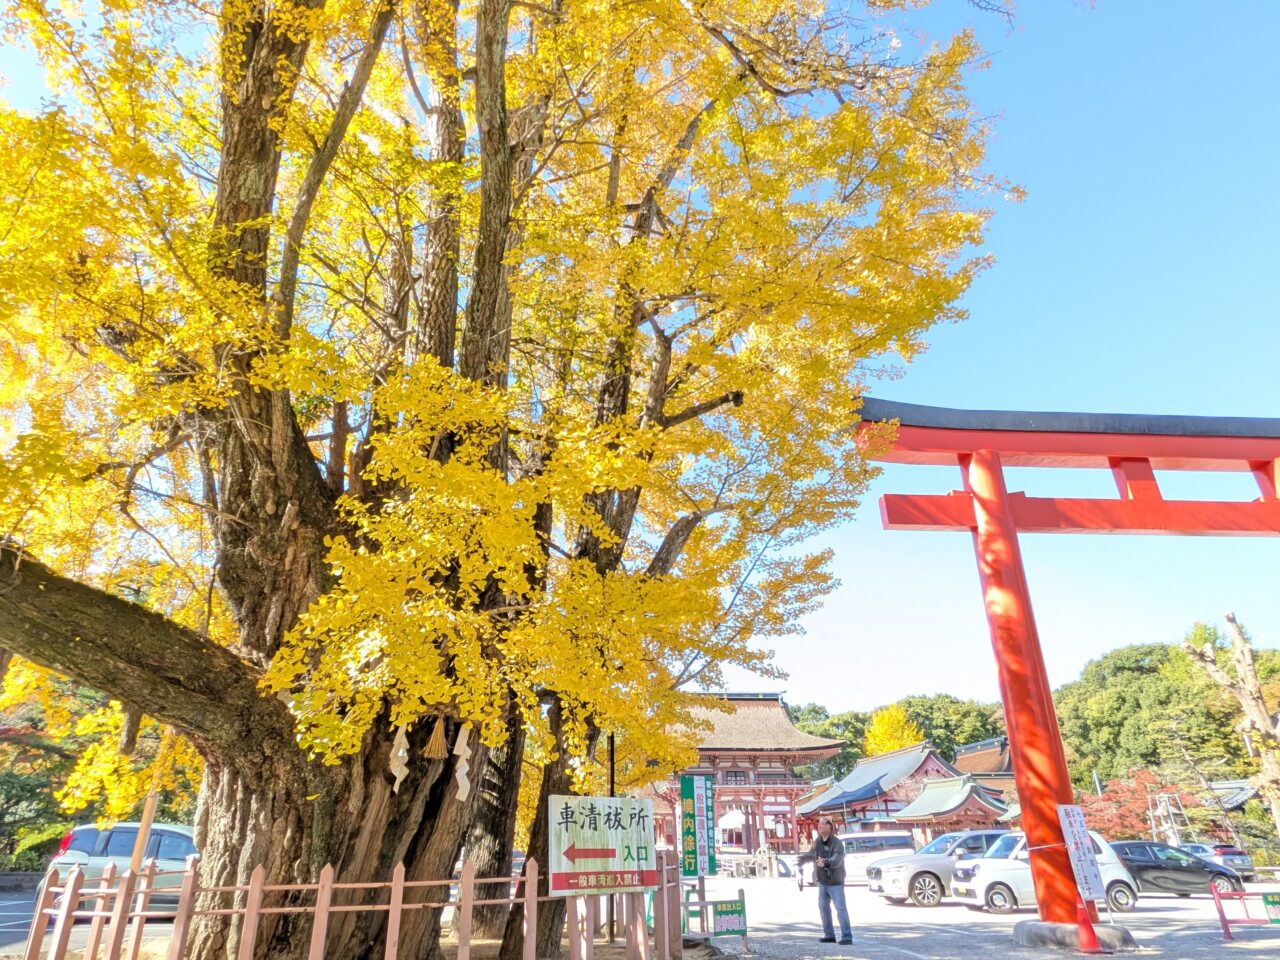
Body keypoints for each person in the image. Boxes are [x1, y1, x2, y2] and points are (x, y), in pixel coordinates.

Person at [807, 817, 852, 944]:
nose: (819, 826)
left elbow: (837, 860)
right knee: (823, 908)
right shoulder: (817, 842)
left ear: (829, 827)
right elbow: (810, 854)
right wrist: (800, 860)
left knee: (841, 908)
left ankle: (847, 936)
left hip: (835, 881)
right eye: (819, 824)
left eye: (822, 824)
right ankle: (829, 935)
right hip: (822, 881)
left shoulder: (837, 843)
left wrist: (825, 862)